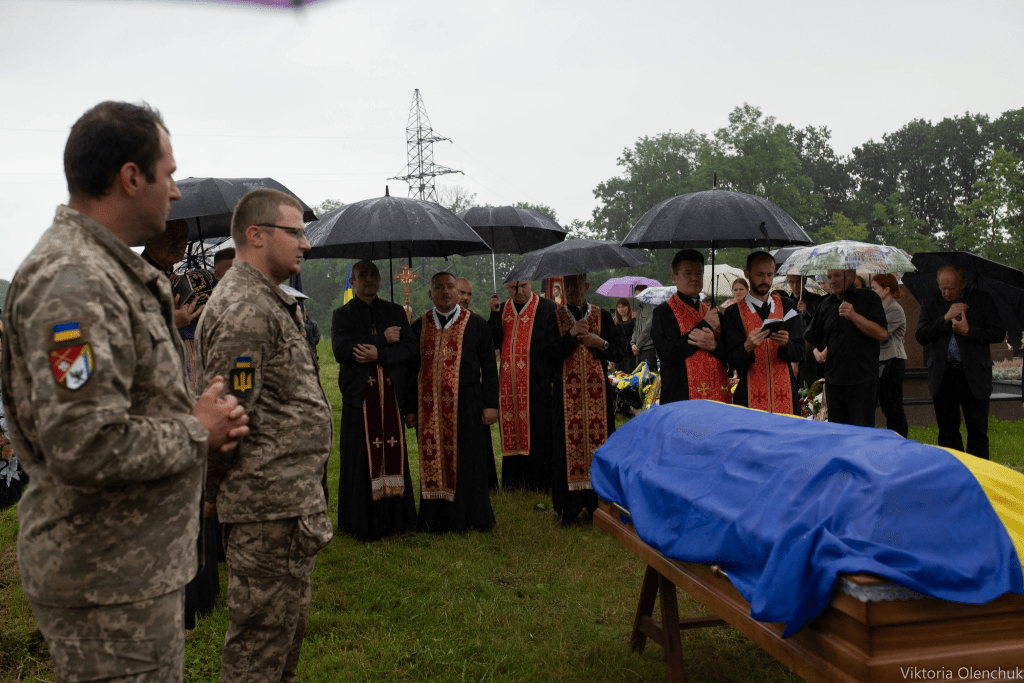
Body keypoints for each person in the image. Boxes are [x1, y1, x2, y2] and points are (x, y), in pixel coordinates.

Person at [0, 100, 248, 680]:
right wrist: (196, 431)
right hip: (105, 579)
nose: (178, 193)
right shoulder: (76, 283)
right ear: (131, 177)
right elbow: (84, 443)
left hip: (127, 567)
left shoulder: (104, 270)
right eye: (170, 174)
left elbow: (117, 407)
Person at [196, 188, 334, 681]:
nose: (305, 244)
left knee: (280, 647)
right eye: (294, 232)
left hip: (283, 507)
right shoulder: (245, 310)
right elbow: (225, 419)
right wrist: (213, 494)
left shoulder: (266, 300)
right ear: (256, 236)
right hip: (264, 510)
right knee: (258, 653)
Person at [405, 272, 499, 532]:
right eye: (438, 287)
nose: (445, 292)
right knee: (434, 460)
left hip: (468, 403)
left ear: (459, 293)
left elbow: (490, 367)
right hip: (429, 407)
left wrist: (491, 404)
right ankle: (434, 518)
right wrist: (410, 408)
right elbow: (410, 370)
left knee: (471, 460)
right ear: (430, 294)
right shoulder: (418, 326)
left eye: (450, 287)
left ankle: (474, 517)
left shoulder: (477, 324)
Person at [331, 260, 418, 541]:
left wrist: (378, 355)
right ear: (353, 282)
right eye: (362, 275)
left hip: (391, 398)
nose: (368, 279)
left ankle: (397, 520)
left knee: (393, 456)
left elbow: (409, 349)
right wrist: (381, 339)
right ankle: (361, 522)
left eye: (373, 275)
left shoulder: (394, 312)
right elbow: (342, 351)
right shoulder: (342, 315)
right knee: (360, 461)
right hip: (359, 400)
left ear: (380, 280)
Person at [544, 274, 622, 526]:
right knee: (564, 449)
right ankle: (567, 509)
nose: (574, 290)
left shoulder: (603, 316)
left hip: (599, 397)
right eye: (569, 286)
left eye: (579, 285)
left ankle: (596, 505)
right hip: (565, 400)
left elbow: (619, 352)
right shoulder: (554, 318)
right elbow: (547, 357)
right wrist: (571, 335)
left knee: (602, 449)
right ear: (563, 288)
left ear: (587, 286)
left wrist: (601, 343)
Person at [915, 265, 1004, 459]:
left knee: (978, 432)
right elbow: (921, 335)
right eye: (943, 288)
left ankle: (979, 478)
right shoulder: (931, 301)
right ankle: (953, 476)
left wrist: (968, 331)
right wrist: (945, 317)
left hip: (974, 375)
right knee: (947, 432)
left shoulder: (982, 299)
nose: (947, 293)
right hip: (943, 374)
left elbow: (998, 332)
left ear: (963, 284)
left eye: (952, 288)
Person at [487, 279, 557, 491]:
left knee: (538, 428)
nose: (519, 292)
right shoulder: (503, 308)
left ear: (530, 284)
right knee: (512, 428)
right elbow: (495, 341)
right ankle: (514, 482)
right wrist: (494, 314)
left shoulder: (547, 307)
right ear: (507, 288)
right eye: (513, 288)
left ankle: (538, 481)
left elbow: (554, 344)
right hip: (510, 382)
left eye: (524, 286)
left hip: (538, 379)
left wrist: (553, 377)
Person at [720, 252, 804, 414]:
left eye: (769, 275)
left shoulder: (788, 305)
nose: (765, 280)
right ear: (747, 274)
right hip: (748, 394)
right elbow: (731, 359)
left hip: (785, 390)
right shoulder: (733, 313)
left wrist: (787, 344)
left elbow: (800, 353)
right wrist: (746, 347)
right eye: (759, 274)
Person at [804, 269, 888, 427]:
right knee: (839, 432)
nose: (832, 281)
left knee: (862, 432)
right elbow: (811, 336)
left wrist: (854, 316)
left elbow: (882, 334)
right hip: (834, 381)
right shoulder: (825, 304)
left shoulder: (869, 298)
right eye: (829, 277)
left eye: (837, 276)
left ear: (851, 276)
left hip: (862, 380)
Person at [650, 249, 730, 405]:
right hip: (681, 396)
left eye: (699, 273)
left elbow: (730, 353)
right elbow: (668, 353)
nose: (694, 278)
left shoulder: (714, 313)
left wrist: (714, 345)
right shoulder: (663, 312)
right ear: (674, 277)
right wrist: (705, 325)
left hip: (717, 396)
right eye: (688, 273)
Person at [871, 274, 909, 438]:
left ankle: (899, 439)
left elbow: (881, 334)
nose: (872, 291)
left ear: (887, 290)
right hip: (879, 362)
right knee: (886, 406)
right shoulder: (879, 307)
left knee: (893, 407)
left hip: (892, 363)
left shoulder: (895, 309)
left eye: (875, 288)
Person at [630, 284, 658, 370]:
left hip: (648, 349)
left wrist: (637, 345)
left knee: (647, 379)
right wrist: (633, 343)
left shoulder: (652, 308)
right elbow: (635, 330)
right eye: (637, 295)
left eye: (640, 294)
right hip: (638, 351)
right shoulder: (640, 311)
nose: (638, 297)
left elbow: (648, 329)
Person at [613, 297, 637, 373]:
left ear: (628, 307)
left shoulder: (634, 320)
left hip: (631, 353)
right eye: (619, 307)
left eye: (623, 306)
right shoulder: (616, 323)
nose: (621, 309)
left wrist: (636, 319)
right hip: (620, 354)